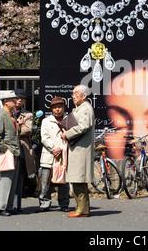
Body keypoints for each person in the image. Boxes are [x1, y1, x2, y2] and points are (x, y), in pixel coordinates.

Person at [61, 85, 95, 218]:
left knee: (78, 179)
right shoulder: (81, 108)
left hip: (81, 149)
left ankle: (81, 210)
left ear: (84, 96)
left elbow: (83, 127)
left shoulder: (86, 108)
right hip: (77, 148)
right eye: (72, 93)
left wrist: (67, 134)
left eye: (76, 93)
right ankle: (82, 208)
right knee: (77, 179)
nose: (73, 96)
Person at [0, 90, 20, 216]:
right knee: (5, 180)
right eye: (13, 100)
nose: (16, 102)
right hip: (8, 151)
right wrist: (4, 149)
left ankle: (8, 206)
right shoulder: (0, 116)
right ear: (6, 102)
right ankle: (0, 207)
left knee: (12, 181)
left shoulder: (11, 115)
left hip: (14, 152)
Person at [39, 96, 70, 212]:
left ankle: (64, 204)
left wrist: (61, 149)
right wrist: (54, 148)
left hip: (64, 156)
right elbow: (44, 138)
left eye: (60, 107)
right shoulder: (46, 121)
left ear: (64, 108)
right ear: (51, 109)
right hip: (49, 155)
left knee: (64, 183)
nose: (57, 109)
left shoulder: (69, 121)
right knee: (46, 182)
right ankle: (44, 204)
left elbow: (72, 138)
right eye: (55, 107)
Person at [13, 89, 37, 212]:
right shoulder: (6, 113)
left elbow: (28, 130)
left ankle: (17, 205)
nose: (19, 100)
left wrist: (19, 127)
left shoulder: (28, 115)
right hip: (9, 149)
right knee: (8, 177)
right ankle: (6, 204)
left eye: (21, 99)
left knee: (20, 177)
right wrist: (19, 127)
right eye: (17, 98)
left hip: (23, 148)